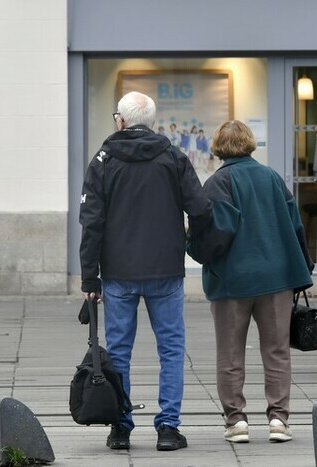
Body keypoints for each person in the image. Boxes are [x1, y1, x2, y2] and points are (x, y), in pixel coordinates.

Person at [79, 91, 211, 452]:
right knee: (171, 348)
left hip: (119, 272)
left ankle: (120, 427)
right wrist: (187, 243)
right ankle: (168, 427)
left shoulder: (104, 161)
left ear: (120, 121)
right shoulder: (172, 156)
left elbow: (91, 222)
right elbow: (200, 208)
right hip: (166, 270)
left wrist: (90, 277)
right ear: (151, 122)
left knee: (119, 350)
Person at [186, 120, 314, 444]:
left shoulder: (218, 182)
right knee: (277, 351)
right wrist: (303, 269)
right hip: (276, 280)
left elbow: (214, 233)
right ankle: (279, 419)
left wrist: (192, 246)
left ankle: (236, 420)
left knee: (230, 355)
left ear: (217, 147)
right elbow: (295, 224)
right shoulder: (271, 177)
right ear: (249, 143)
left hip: (232, 282)